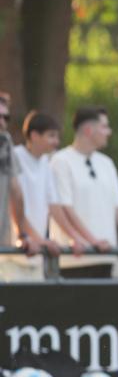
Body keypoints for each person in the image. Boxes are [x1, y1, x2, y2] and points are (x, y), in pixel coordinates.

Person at [49, 107, 118, 278]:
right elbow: (65, 208)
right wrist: (92, 241)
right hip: (74, 259)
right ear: (89, 130)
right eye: (105, 127)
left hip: (105, 257)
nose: (109, 132)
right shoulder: (61, 161)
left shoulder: (107, 163)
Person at [0, 96, 54, 280]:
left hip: (9, 249)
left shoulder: (5, 143)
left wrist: (24, 234)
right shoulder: (15, 151)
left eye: (5, 117)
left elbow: (15, 194)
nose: (2, 122)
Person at [11, 111, 70, 279]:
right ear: (34, 135)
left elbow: (54, 206)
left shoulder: (46, 163)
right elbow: (14, 204)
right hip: (13, 255)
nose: (56, 142)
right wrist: (35, 237)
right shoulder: (14, 156)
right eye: (51, 136)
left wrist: (73, 237)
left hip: (35, 255)